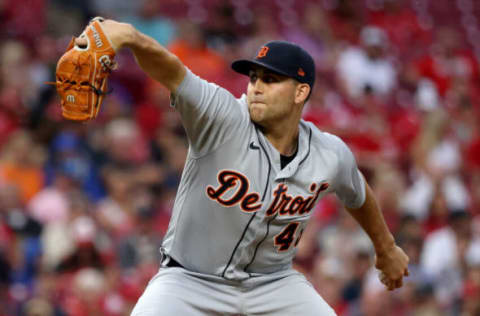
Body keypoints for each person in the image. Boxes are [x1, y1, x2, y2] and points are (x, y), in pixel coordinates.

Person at [75, 18, 409, 316]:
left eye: (271, 79)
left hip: (273, 285)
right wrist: (133, 37)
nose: (256, 88)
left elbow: (357, 191)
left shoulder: (329, 153)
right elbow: (173, 72)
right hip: (190, 280)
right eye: (253, 78)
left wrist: (386, 248)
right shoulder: (223, 117)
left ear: (301, 92)